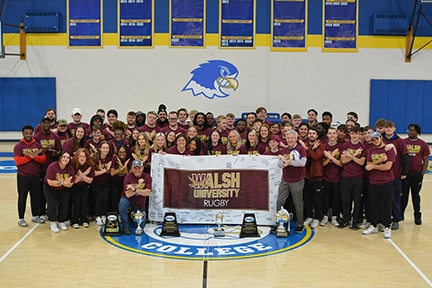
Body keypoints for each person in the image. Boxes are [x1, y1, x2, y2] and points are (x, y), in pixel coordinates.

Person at [362, 132, 396, 239]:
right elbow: (367, 166)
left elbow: (387, 166)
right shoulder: (371, 150)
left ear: (381, 138)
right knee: (374, 204)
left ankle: (387, 226)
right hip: (373, 181)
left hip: (387, 181)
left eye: (377, 139)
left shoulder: (388, 149)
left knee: (386, 205)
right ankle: (373, 225)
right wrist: (380, 161)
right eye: (373, 140)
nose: (375, 141)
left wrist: (373, 166)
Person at [14, 125, 47, 227]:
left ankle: (34, 215)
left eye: (30, 133)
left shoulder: (37, 145)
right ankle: (21, 218)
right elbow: (18, 161)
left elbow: (43, 159)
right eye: (26, 133)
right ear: (23, 134)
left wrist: (33, 156)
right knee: (22, 197)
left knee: (35, 197)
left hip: (36, 176)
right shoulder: (18, 146)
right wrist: (31, 156)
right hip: (23, 176)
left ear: (33, 133)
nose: (28, 135)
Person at [277, 130, 307, 234]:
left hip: (297, 180)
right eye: (288, 138)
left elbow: (303, 163)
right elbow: (280, 164)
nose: (290, 140)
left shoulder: (301, 149)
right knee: (280, 201)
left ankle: (300, 224)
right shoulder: (284, 150)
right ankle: (279, 223)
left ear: (296, 139)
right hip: (285, 179)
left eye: (291, 138)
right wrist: (285, 164)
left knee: (297, 203)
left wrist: (290, 162)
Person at [34, 116, 62, 219]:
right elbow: (34, 153)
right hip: (41, 169)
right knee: (41, 192)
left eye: (48, 122)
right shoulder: (37, 137)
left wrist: (56, 153)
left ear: (51, 124)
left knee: (53, 191)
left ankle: (53, 210)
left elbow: (60, 151)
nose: (46, 124)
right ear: (41, 124)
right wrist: (43, 150)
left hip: (53, 169)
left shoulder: (55, 136)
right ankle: (41, 212)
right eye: (44, 122)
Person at [382, 120, 409, 231]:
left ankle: (396, 219)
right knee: (383, 199)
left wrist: (404, 173)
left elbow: (406, 158)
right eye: (386, 127)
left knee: (395, 198)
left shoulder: (400, 141)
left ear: (394, 129)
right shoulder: (380, 140)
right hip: (382, 174)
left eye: (390, 127)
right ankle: (384, 219)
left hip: (396, 175)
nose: (388, 129)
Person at [339, 125, 366, 229]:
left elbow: (361, 162)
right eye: (352, 133)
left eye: (356, 134)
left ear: (359, 135)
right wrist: (355, 155)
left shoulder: (362, 147)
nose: (354, 136)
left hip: (358, 177)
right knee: (346, 200)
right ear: (349, 134)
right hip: (346, 176)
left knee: (357, 200)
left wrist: (350, 155)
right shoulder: (345, 145)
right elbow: (343, 161)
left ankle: (355, 220)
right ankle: (346, 219)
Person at [402, 124, 429, 225]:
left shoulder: (423, 144)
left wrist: (421, 174)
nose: (410, 132)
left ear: (417, 132)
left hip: (416, 174)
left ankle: (417, 216)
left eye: (413, 130)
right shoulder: (403, 142)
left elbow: (425, 160)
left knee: (415, 196)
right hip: (405, 174)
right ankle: (400, 215)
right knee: (403, 195)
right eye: (409, 130)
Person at [299, 127, 325, 228]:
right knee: (307, 198)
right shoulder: (304, 144)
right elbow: (302, 156)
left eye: (313, 133)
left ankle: (317, 218)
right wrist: (310, 149)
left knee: (317, 199)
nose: (311, 135)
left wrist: (307, 149)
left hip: (317, 176)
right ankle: (309, 216)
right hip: (306, 176)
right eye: (310, 133)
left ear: (317, 135)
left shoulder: (321, 145)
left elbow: (315, 156)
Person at [118, 159, 152, 235]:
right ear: (132, 168)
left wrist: (134, 189)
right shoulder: (128, 177)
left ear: (142, 168)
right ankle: (125, 227)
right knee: (122, 204)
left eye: (139, 168)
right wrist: (139, 186)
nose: (137, 170)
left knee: (142, 225)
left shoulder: (147, 177)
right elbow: (128, 194)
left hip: (139, 203)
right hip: (128, 200)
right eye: (135, 168)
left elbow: (147, 192)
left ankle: (134, 220)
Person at [44, 151, 75, 233]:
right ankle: (53, 222)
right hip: (50, 188)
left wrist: (60, 181)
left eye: (68, 158)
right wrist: (63, 182)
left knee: (64, 204)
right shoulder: (52, 167)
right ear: (60, 158)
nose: (66, 159)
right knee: (52, 204)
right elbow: (50, 182)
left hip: (63, 189)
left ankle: (61, 222)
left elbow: (70, 184)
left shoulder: (70, 168)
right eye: (64, 157)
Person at [323, 127, 343, 227]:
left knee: (336, 198)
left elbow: (341, 164)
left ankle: (335, 216)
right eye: (330, 133)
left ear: (336, 135)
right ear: (327, 135)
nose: (332, 135)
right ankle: (325, 216)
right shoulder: (324, 147)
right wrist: (330, 158)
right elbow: (322, 164)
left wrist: (330, 157)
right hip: (326, 177)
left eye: (333, 133)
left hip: (337, 177)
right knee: (326, 198)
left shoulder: (341, 147)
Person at [70, 148, 95, 229]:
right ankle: (75, 221)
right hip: (75, 187)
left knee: (84, 202)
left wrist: (81, 175)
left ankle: (84, 220)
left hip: (85, 186)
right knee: (76, 202)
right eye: (80, 156)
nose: (82, 158)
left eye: (84, 156)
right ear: (77, 157)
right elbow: (75, 181)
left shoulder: (90, 165)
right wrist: (85, 174)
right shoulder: (73, 165)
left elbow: (90, 181)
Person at [91, 141, 112, 226]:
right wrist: (105, 170)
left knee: (105, 198)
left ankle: (103, 214)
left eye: (107, 148)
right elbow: (94, 173)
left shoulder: (110, 158)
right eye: (103, 148)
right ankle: (97, 216)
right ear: (100, 148)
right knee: (99, 198)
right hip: (95, 182)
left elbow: (111, 171)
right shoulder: (95, 158)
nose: (105, 150)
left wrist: (103, 171)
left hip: (105, 181)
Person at [109, 145, 131, 211]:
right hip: (115, 182)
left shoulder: (129, 160)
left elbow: (129, 176)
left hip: (125, 183)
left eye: (123, 152)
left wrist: (122, 166)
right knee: (115, 197)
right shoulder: (115, 159)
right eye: (120, 152)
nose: (122, 154)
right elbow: (112, 173)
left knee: (123, 198)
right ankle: (115, 213)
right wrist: (123, 167)